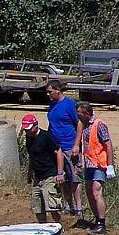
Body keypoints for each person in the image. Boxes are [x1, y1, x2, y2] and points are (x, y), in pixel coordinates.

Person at [74, 102, 115, 234]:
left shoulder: (99, 125)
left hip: (99, 164)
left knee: (96, 191)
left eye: (79, 114)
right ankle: (97, 220)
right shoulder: (84, 124)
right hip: (89, 164)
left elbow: (108, 145)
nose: (78, 116)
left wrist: (110, 165)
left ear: (87, 114)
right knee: (89, 192)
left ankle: (102, 223)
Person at [46, 79, 84, 215]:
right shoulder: (51, 106)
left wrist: (76, 145)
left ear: (58, 90)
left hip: (70, 146)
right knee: (62, 178)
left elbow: (79, 124)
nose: (48, 94)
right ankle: (68, 205)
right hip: (57, 148)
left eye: (50, 92)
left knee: (75, 178)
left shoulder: (69, 105)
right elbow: (52, 126)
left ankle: (79, 206)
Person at [22, 114, 64, 223]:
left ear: (36, 125)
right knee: (37, 207)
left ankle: (59, 228)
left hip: (50, 175)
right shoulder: (28, 138)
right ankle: (43, 228)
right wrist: (29, 173)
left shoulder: (46, 136)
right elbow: (32, 156)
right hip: (37, 177)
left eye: (29, 129)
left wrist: (60, 173)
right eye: (25, 130)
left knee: (52, 206)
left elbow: (59, 152)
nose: (27, 132)